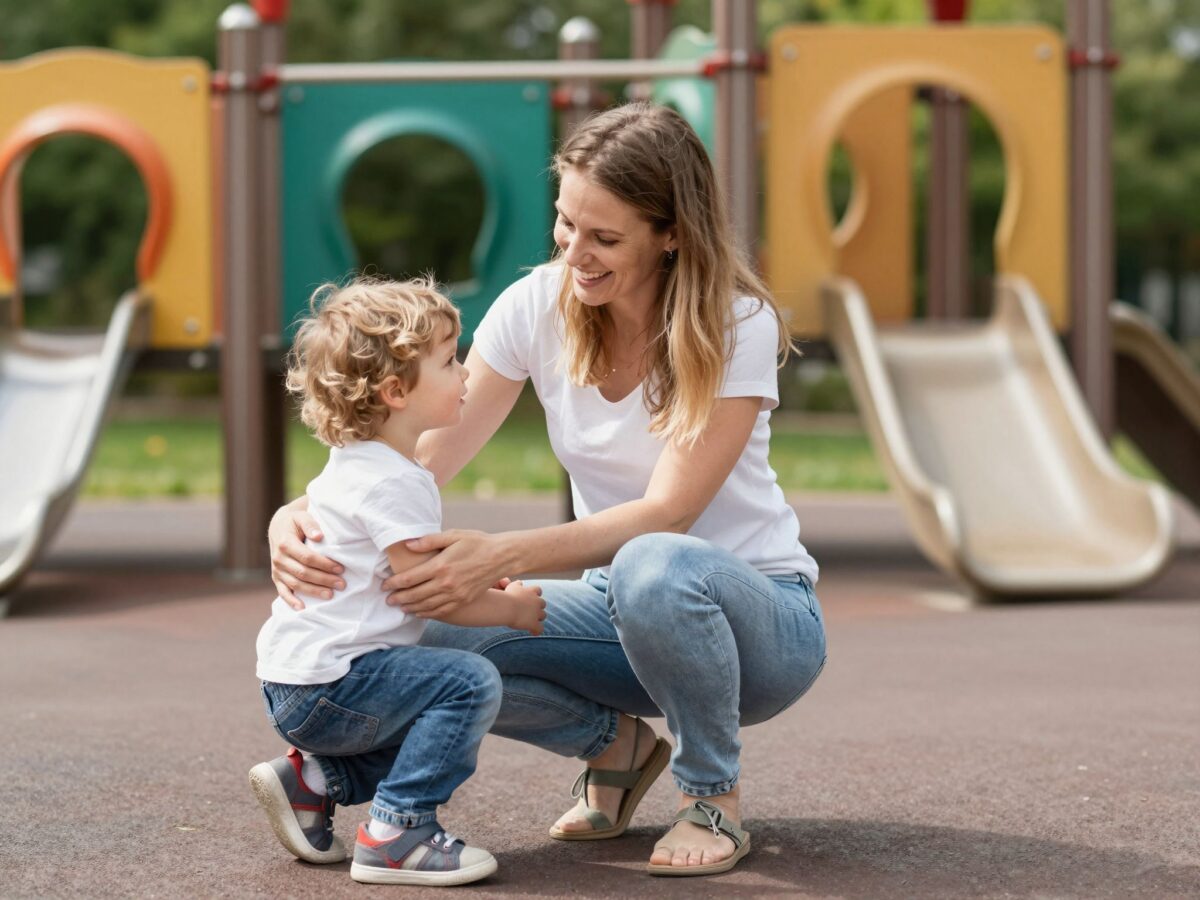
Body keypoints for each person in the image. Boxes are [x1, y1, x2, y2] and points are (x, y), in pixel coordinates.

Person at [269, 102, 827, 878]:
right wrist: (299, 515)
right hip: (617, 616)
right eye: (566, 224)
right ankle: (620, 751)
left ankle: (711, 797)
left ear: (671, 233)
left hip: (761, 626)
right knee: (426, 629)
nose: (576, 253)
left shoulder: (736, 323)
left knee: (655, 561)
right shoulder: (538, 303)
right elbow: (415, 453)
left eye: (605, 238)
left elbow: (669, 513)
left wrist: (499, 551)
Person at [250, 277, 546, 887]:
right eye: (449, 362)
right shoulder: (397, 482)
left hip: (295, 682)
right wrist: (510, 610)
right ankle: (398, 832)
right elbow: (430, 592)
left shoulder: (355, 462)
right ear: (395, 391)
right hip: (331, 687)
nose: (465, 374)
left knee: (429, 715)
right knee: (467, 686)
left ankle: (313, 782)